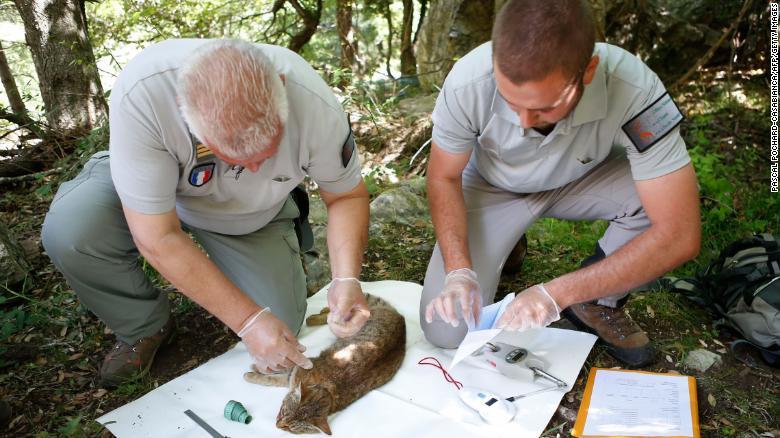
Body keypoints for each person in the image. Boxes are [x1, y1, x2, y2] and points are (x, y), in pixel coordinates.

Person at [41, 39, 371, 386]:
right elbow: (157, 235)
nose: (254, 167)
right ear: (184, 109)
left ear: (282, 89)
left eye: (266, 153)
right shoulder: (145, 94)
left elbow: (346, 196)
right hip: (149, 192)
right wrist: (247, 321)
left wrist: (346, 278)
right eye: (236, 156)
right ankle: (144, 324)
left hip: (247, 213)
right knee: (73, 233)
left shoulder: (314, 105)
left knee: (282, 323)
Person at [420, 0, 701, 366]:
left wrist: (557, 293)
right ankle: (506, 242)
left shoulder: (635, 89)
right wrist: (459, 270)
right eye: (511, 102)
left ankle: (597, 300)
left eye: (543, 108)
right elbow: (443, 175)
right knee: (447, 330)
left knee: (667, 201)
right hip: (491, 185)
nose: (523, 123)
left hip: (581, 178)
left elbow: (680, 233)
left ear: (588, 71)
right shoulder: (468, 81)